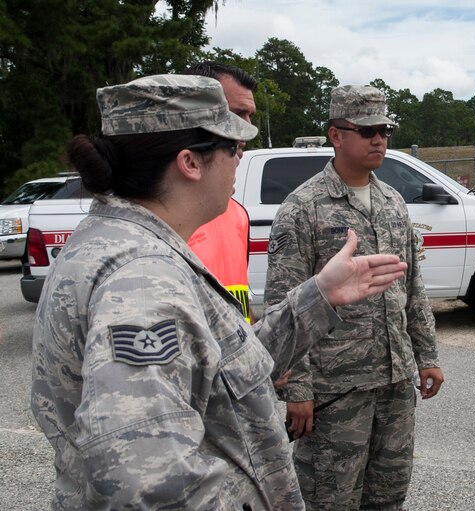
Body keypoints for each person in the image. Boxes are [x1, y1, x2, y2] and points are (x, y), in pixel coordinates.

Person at [29, 74, 409, 510]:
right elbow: (148, 483)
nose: (239, 161)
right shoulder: (140, 279)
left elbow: (222, 374)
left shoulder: (125, 242)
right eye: (233, 148)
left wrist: (318, 296)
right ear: (190, 163)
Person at [265, 84, 444, 510]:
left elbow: (412, 287)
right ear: (336, 135)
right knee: (330, 496)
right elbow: (284, 304)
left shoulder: (392, 202)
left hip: (395, 382)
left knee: (388, 494)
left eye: (384, 130)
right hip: (334, 389)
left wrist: (427, 356)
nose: (378, 139)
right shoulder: (302, 207)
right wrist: (298, 387)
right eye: (366, 130)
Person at [183, 61, 257, 321]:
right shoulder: (160, 221)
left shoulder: (235, 213)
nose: (247, 131)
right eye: (237, 114)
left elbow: (240, 301)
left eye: (251, 116)